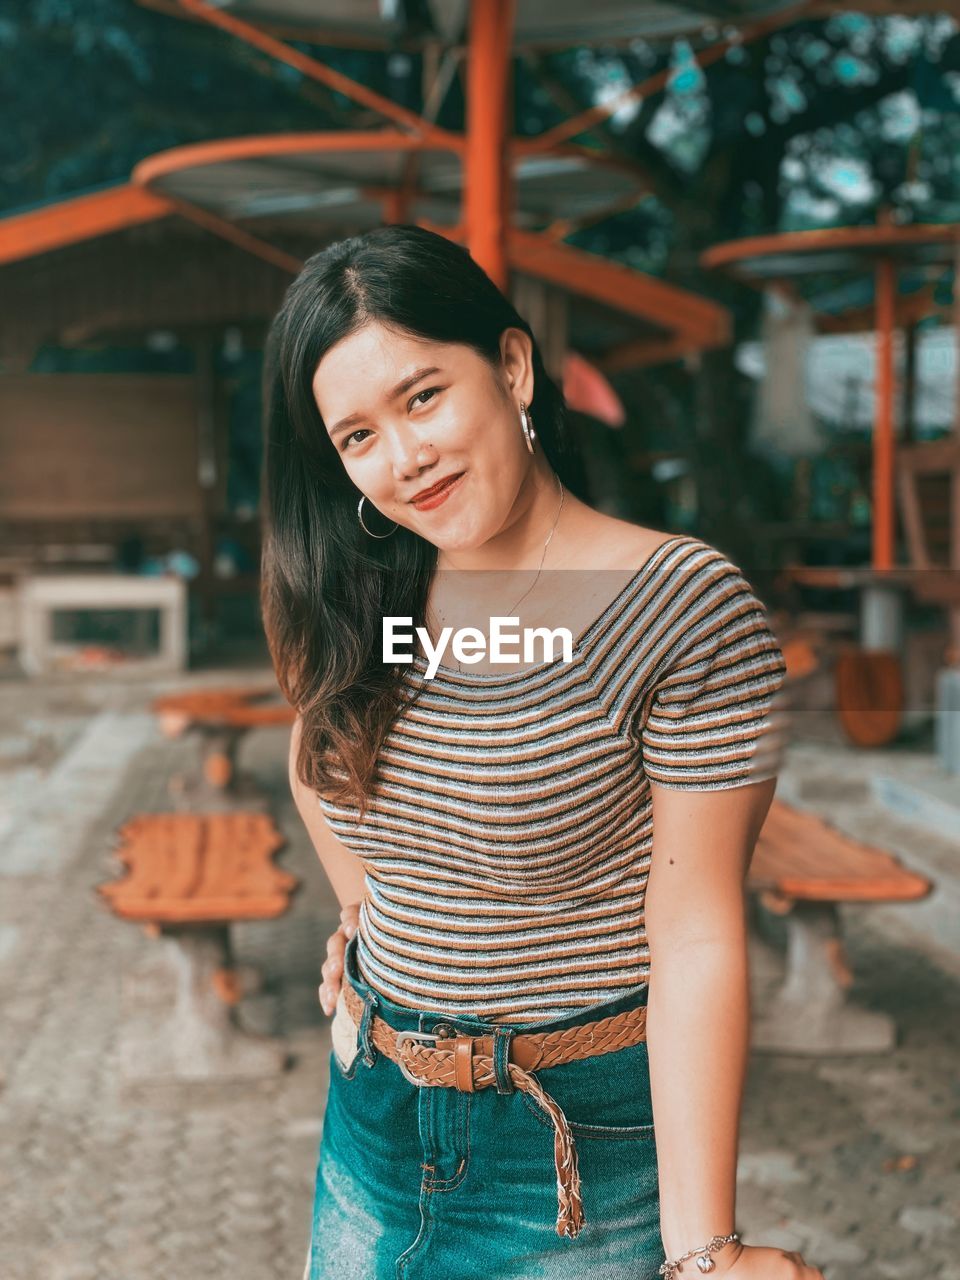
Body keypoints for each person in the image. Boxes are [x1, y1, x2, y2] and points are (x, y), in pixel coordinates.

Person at [261, 224, 822, 1280]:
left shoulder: (681, 607)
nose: (404, 457)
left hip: (570, 1152)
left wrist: (708, 1246)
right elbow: (315, 754)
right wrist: (369, 913)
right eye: (358, 436)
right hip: (373, 1113)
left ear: (512, 366)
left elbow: (696, 927)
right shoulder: (382, 591)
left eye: (423, 396)